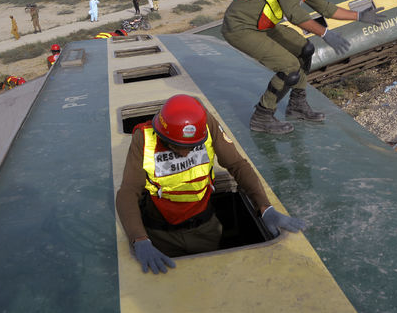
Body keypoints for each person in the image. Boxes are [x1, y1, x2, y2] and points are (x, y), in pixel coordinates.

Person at [115, 94, 305, 274]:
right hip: (161, 235)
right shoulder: (144, 138)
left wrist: (264, 207)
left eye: (191, 148)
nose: (184, 154)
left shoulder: (206, 124)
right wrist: (139, 238)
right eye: (175, 146)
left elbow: (237, 165)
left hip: (205, 230)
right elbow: (129, 191)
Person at [221, 0, 386, 134]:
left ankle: (297, 105)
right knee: (289, 67)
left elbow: (325, 7)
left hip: (262, 25)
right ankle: (262, 116)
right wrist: (325, 34)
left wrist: (360, 16)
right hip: (241, 27)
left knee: (305, 49)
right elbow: (294, 14)